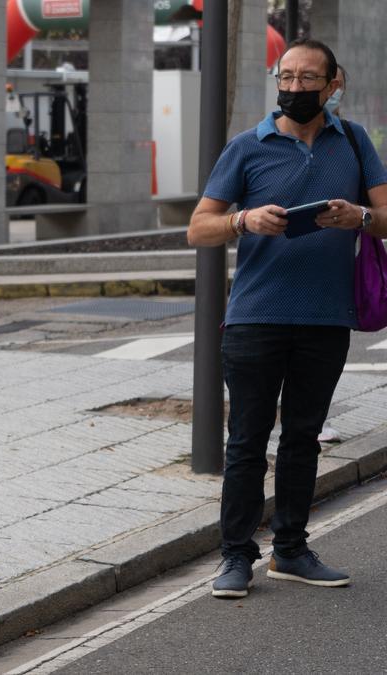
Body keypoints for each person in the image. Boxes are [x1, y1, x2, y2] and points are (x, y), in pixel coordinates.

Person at [188, 39, 387, 599]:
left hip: (326, 319)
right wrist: (244, 221)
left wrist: (360, 215)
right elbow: (199, 227)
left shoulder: (353, 142)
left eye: (308, 79)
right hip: (255, 317)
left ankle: (292, 550)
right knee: (247, 441)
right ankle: (234, 558)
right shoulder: (247, 147)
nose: (295, 88)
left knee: (302, 438)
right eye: (287, 77)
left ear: (333, 83)